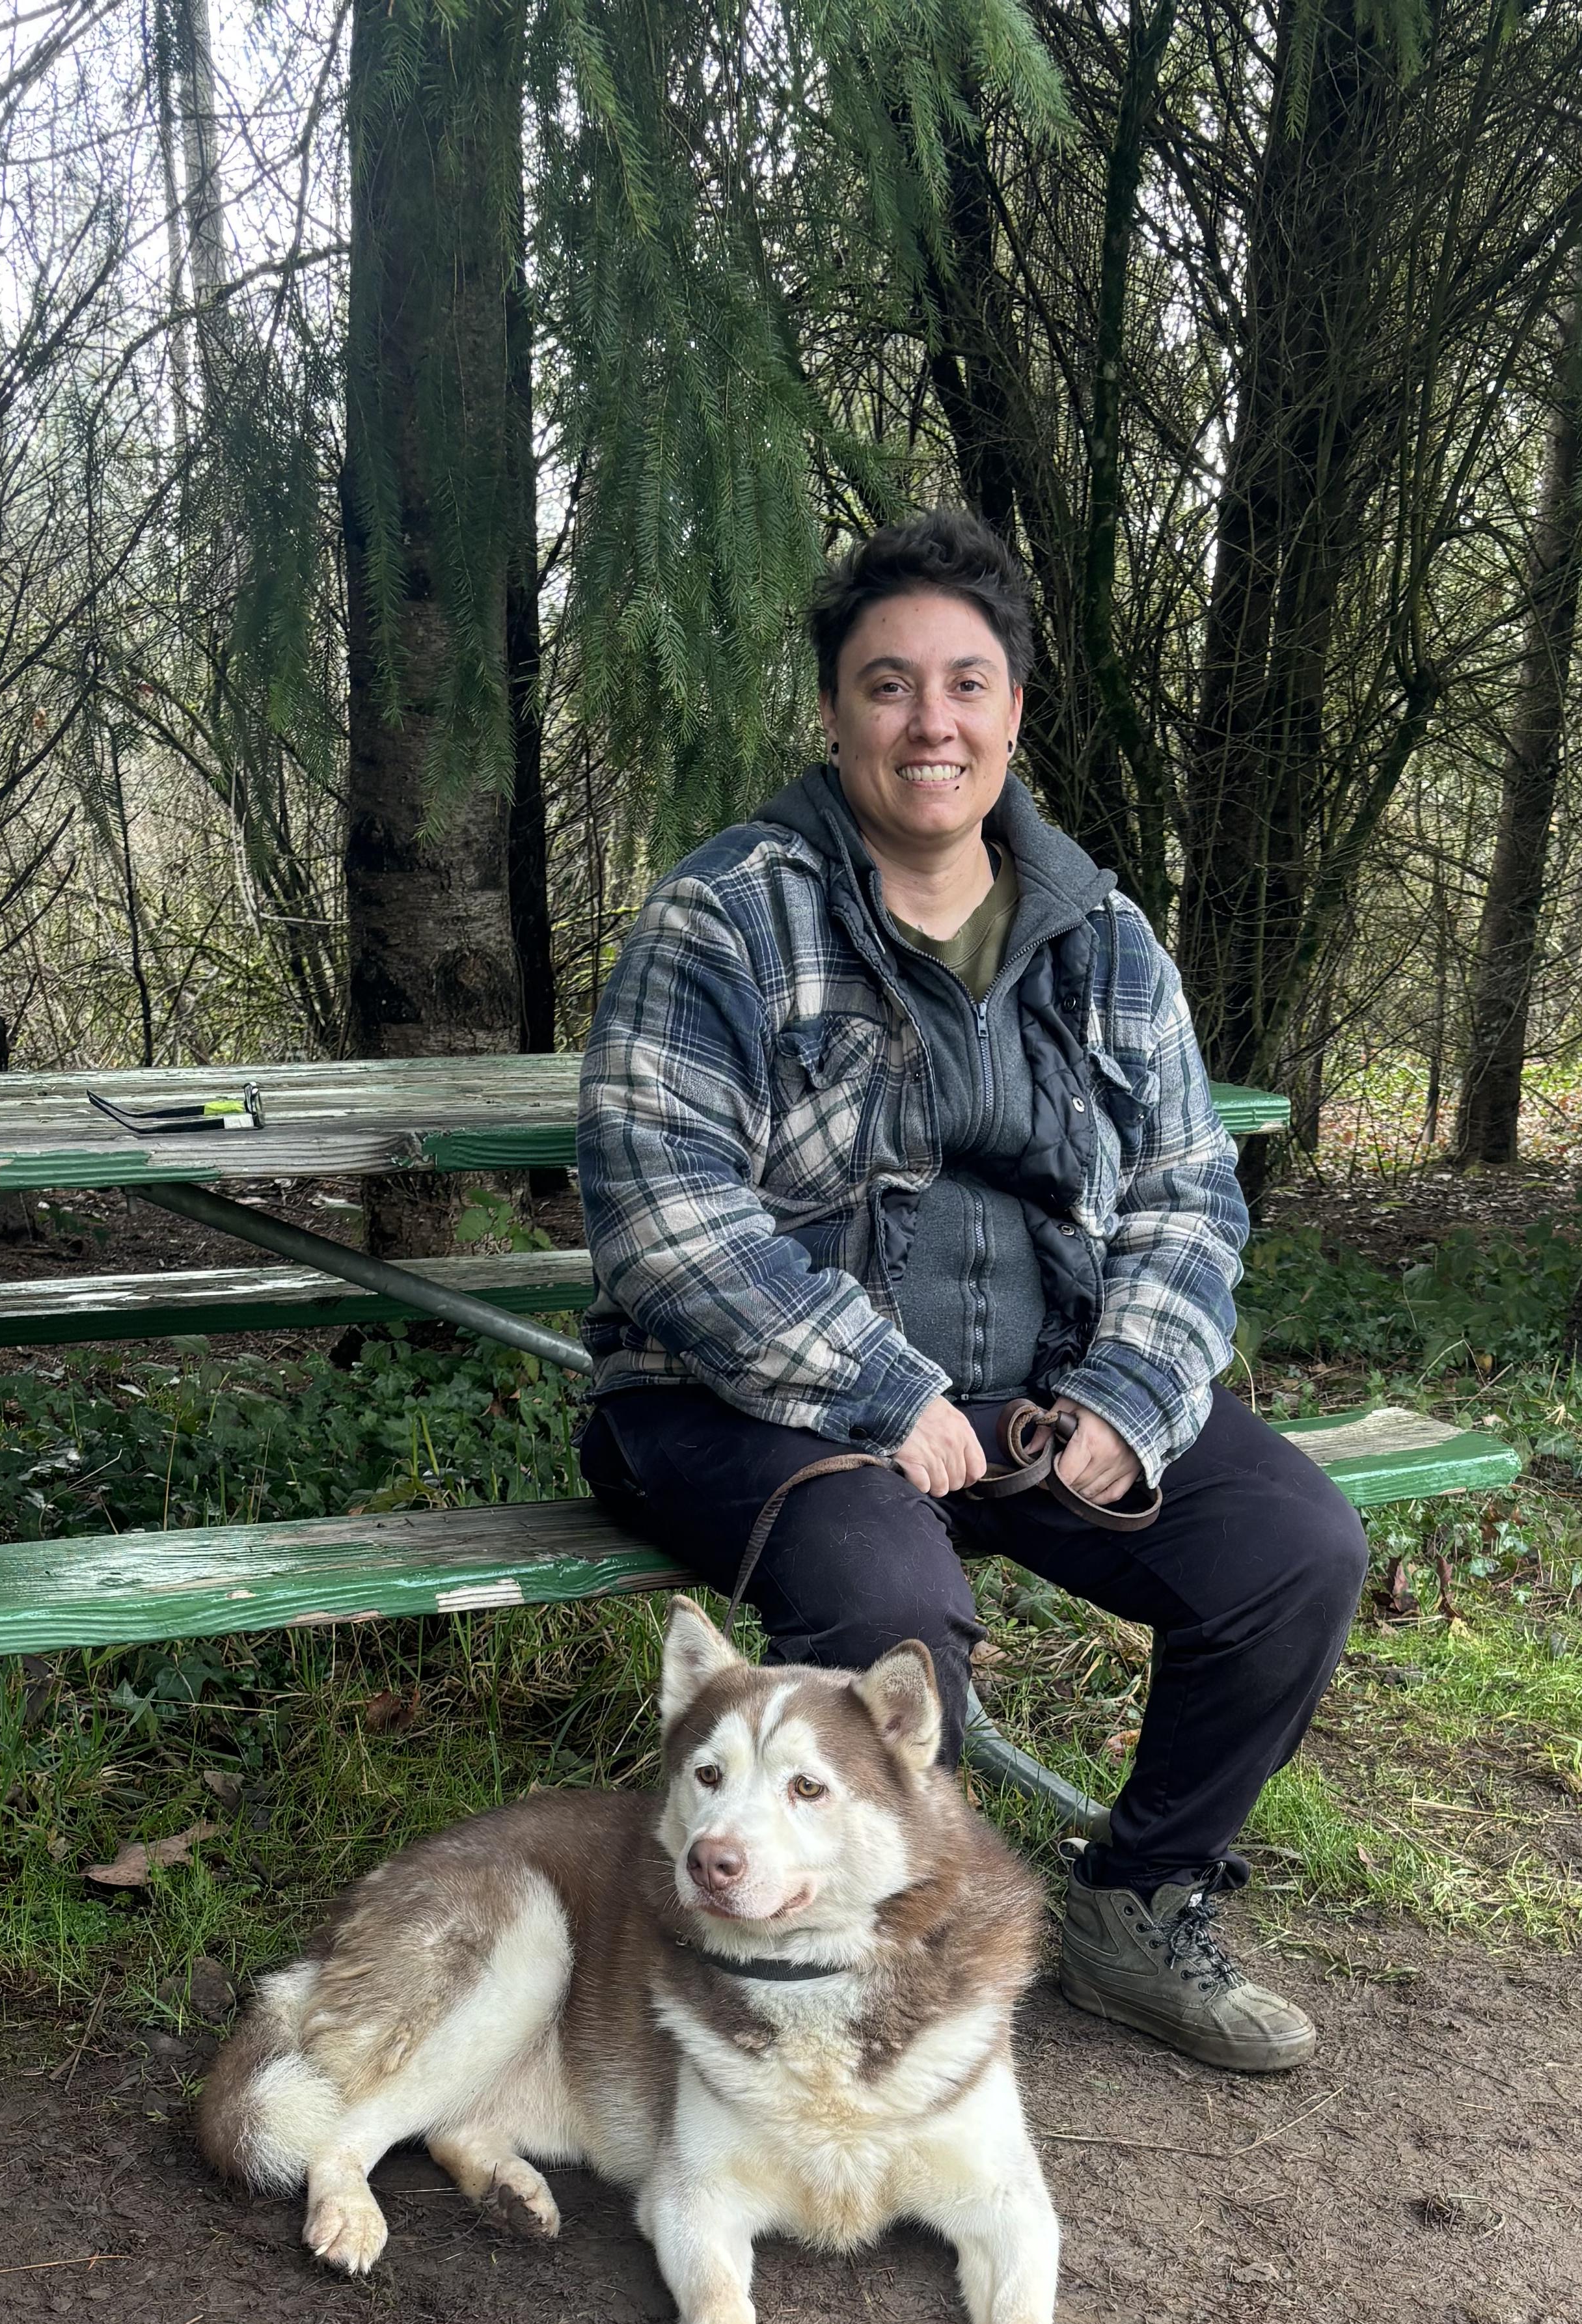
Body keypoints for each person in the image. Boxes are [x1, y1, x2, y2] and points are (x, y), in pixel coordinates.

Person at [575, 507, 1366, 2074]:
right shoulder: (725, 917)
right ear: (835, 713)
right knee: (888, 1617)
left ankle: (1138, 1902)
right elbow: (666, 1220)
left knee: (1295, 1548)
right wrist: (889, 1393)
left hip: (1037, 1401)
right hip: (744, 1404)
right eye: (887, 686)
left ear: (1012, 709)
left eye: (965, 683)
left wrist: (1131, 1400)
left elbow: (1189, 1190)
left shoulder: (1105, 940)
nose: (929, 722)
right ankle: (852, 1974)